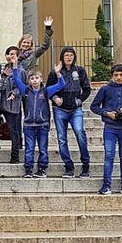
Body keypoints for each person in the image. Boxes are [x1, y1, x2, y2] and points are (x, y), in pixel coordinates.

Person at [90, 64, 122, 195]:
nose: (118, 77)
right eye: (116, 75)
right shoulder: (105, 89)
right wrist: (107, 113)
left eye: (121, 75)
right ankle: (106, 185)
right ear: (112, 76)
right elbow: (94, 106)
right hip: (110, 128)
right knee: (109, 156)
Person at [12, 59, 65, 178]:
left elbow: (61, 85)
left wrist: (58, 73)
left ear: (41, 79)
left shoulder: (46, 91)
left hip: (43, 125)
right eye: (32, 78)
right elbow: (16, 79)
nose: (34, 80)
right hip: (29, 125)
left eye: (37, 78)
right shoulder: (25, 90)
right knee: (29, 148)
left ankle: (42, 169)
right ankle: (29, 169)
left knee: (43, 148)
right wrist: (15, 65)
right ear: (29, 81)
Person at [46, 47, 92, 178]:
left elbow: (87, 89)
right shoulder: (55, 72)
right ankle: (68, 166)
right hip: (60, 109)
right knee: (62, 139)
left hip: (75, 109)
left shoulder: (80, 71)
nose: (69, 57)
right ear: (62, 57)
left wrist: (80, 100)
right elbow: (47, 90)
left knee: (79, 132)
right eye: (66, 55)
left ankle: (85, 163)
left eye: (71, 55)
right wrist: (54, 98)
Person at [0, 46, 26, 164]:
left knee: (13, 130)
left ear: (18, 56)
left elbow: (22, 87)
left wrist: (14, 93)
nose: (11, 56)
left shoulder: (21, 71)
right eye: (9, 54)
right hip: (0, 103)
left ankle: (15, 156)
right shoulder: (2, 69)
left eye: (13, 54)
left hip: (13, 105)